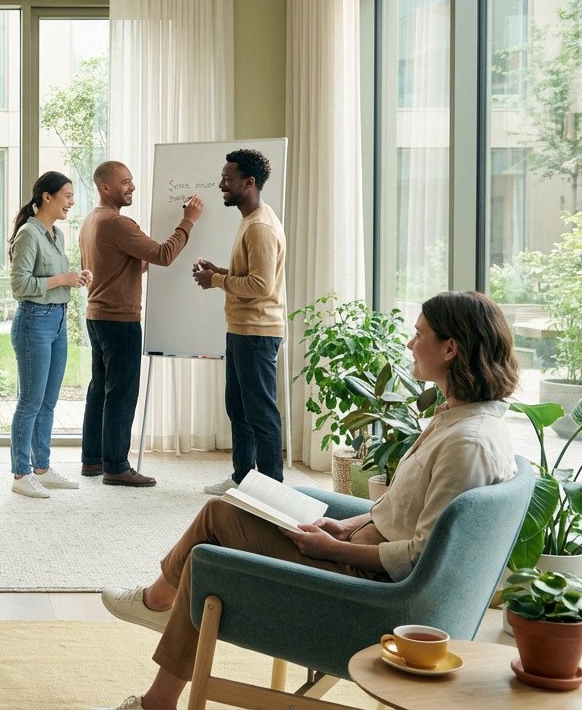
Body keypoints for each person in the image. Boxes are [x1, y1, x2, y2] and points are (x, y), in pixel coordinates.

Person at [97, 291, 519, 710]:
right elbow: (405, 513)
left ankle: (157, 637)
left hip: (368, 591)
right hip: (359, 551)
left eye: (419, 334)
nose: (410, 344)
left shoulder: (468, 443)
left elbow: (420, 555)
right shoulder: (461, 421)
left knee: (208, 552)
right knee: (226, 508)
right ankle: (159, 614)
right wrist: (345, 525)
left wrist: (334, 548)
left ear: (450, 348)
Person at [79, 160, 203, 487]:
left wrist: (138, 261)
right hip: (120, 320)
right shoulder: (118, 223)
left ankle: (92, 460)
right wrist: (187, 222)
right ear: (106, 187)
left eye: (131, 180)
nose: (132, 186)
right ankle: (116, 466)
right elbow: (163, 255)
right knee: (121, 393)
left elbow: (123, 266)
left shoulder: (92, 221)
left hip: (97, 316)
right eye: (125, 182)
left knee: (100, 390)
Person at [191, 149, 287, 495]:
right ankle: (243, 479)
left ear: (249, 182)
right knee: (239, 408)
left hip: (257, 334)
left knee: (260, 413)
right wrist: (220, 272)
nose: (221, 185)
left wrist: (215, 281)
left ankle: (271, 489)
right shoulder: (251, 220)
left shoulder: (260, 226)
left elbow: (261, 287)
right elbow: (252, 276)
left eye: (228, 179)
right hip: (242, 331)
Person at [7, 171, 91, 498]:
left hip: (57, 320)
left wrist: (75, 277)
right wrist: (63, 279)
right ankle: (20, 473)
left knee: (48, 401)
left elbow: (55, 277)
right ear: (47, 197)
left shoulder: (55, 234)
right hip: (34, 322)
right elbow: (20, 286)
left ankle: (41, 466)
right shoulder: (29, 233)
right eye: (67, 196)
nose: (71, 202)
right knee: (30, 401)